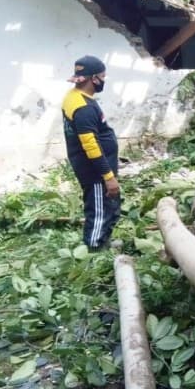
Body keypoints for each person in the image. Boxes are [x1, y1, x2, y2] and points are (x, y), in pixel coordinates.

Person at [61, 55, 121, 251]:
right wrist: (108, 176)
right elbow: (90, 145)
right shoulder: (83, 108)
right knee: (98, 209)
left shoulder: (74, 97)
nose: (104, 81)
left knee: (109, 205)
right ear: (94, 79)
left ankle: (103, 240)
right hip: (95, 170)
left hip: (97, 168)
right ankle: (94, 249)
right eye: (103, 77)